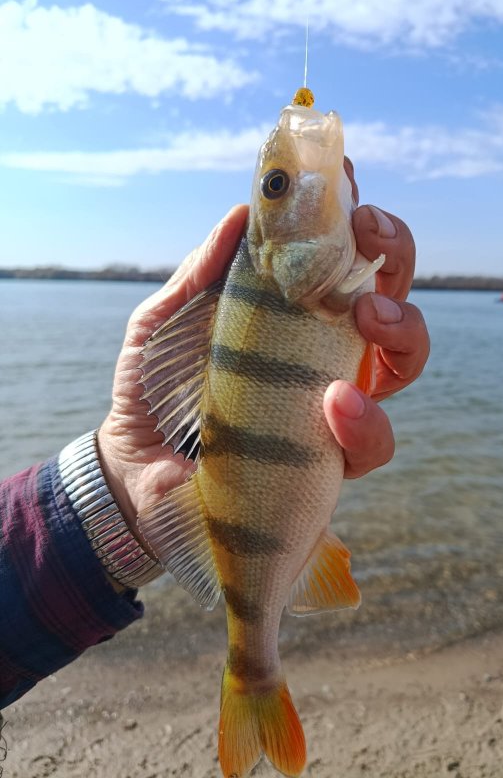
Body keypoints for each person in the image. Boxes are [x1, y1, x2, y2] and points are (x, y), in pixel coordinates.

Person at [0, 190, 430, 710]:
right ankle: (254, 671)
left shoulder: (315, 272)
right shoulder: (307, 274)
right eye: (277, 186)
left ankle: (253, 667)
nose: (304, 190)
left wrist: (120, 478)